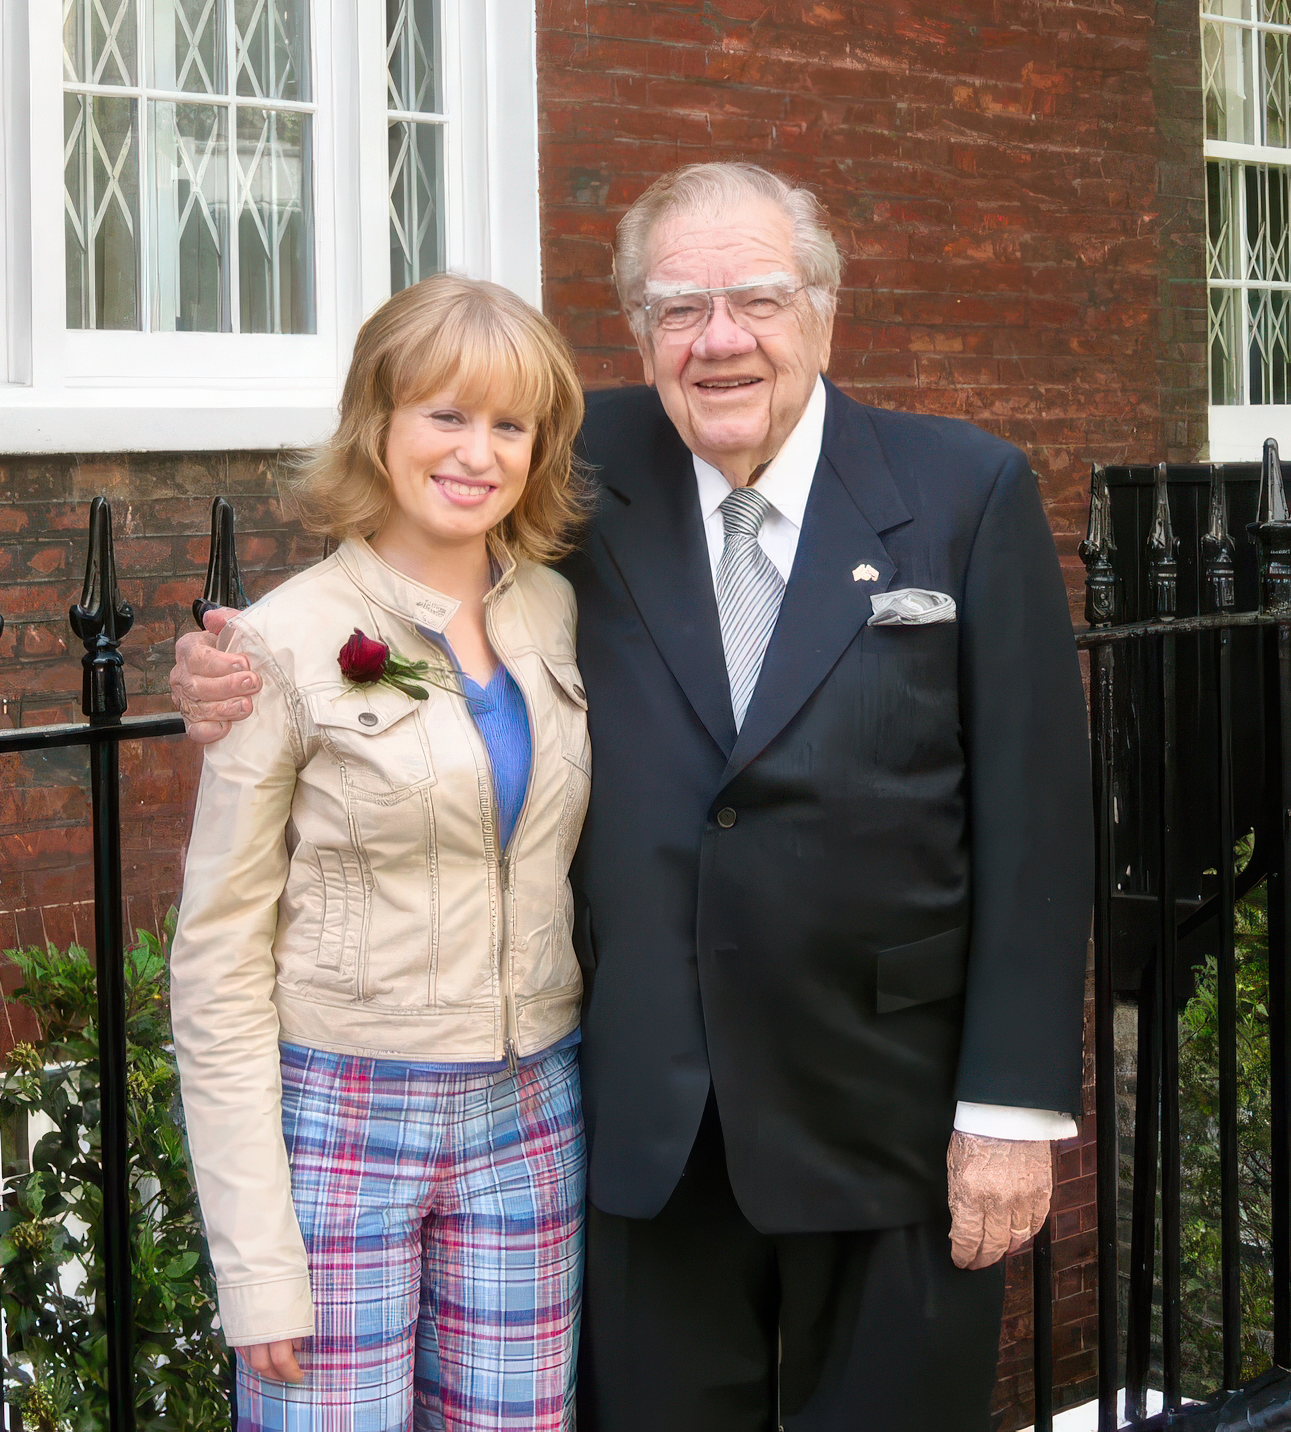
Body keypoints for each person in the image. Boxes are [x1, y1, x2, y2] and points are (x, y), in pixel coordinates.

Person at [170, 163, 1093, 1432]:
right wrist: (236, 662)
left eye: (756, 299)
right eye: (676, 309)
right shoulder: (574, 463)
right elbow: (405, 548)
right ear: (636, 332)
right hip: (639, 1131)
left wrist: (1011, 1107)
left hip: (896, 1124)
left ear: (824, 308)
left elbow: (1037, 820)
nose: (719, 340)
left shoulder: (964, 491)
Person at [168, 273, 592, 1432]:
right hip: (341, 1119)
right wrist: (254, 1259)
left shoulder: (557, 610)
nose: (477, 452)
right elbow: (215, 958)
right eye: (445, 415)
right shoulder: (284, 638)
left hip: (532, 1106)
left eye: (511, 424)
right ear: (380, 424)